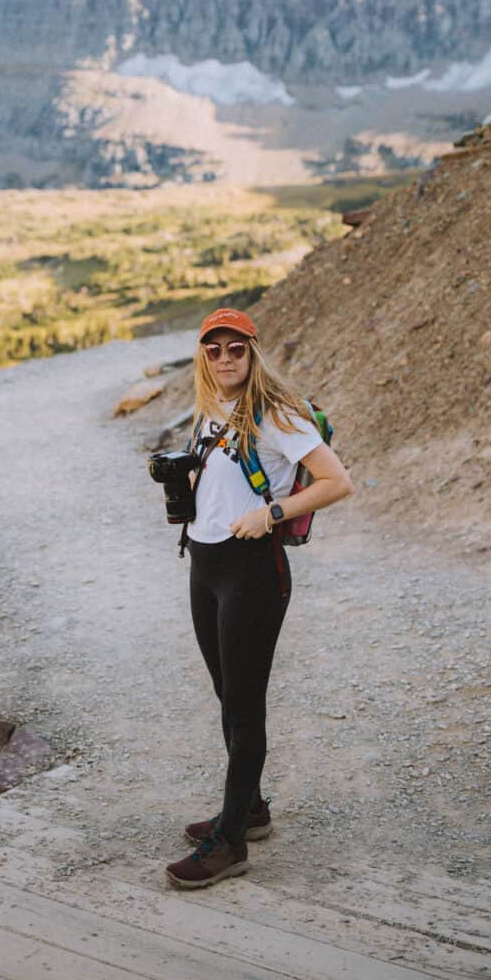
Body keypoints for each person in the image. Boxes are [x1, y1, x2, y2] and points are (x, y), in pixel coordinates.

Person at [165, 307, 353, 890]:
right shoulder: (211, 407)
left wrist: (271, 512)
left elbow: (336, 481)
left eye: (236, 349)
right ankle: (249, 809)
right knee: (227, 694)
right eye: (214, 349)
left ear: (253, 351)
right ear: (204, 356)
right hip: (205, 564)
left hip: (252, 570)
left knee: (245, 707)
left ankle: (230, 845)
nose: (225, 358)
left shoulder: (278, 412)